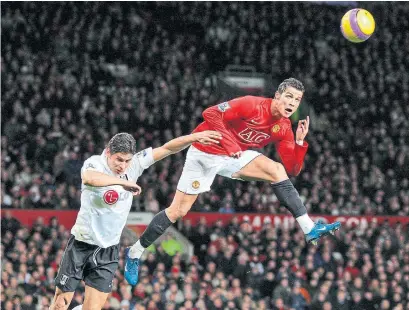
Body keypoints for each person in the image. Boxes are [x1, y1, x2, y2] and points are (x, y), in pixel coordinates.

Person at [124, 78, 341, 285]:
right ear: (277, 95)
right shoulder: (252, 105)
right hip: (204, 151)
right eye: (289, 97)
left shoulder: (284, 127)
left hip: (233, 156)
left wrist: (300, 141)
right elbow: (210, 113)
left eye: (297, 100)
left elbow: (293, 169)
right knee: (177, 212)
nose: (292, 103)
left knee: (277, 170)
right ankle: (134, 252)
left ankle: (309, 227)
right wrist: (230, 144)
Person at [49, 130, 221, 310]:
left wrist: (193, 138)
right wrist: (122, 183)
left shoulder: (134, 165)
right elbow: (89, 178)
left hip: (108, 251)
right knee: (59, 305)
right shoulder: (94, 163)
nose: (123, 166)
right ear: (108, 152)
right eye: (119, 160)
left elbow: (167, 148)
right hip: (81, 245)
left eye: (127, 161)